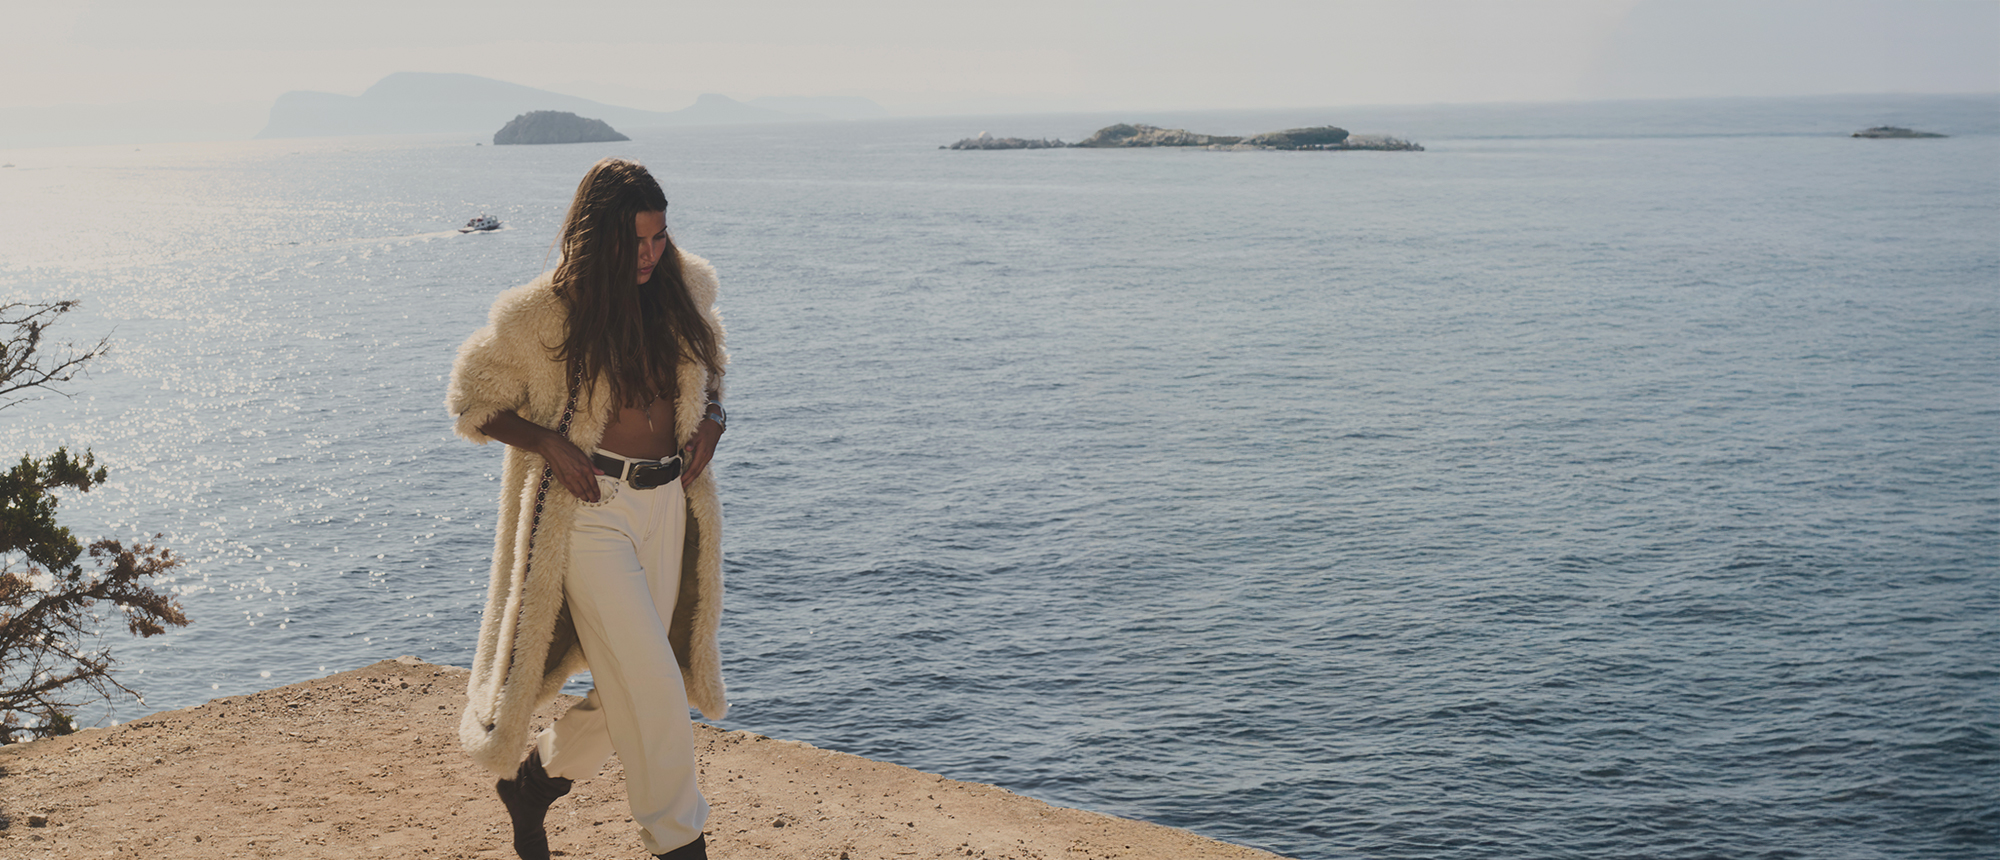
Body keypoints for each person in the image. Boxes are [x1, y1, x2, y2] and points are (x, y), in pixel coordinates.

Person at [446, 157, 729, 860]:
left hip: (667, 504)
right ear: (595, 233)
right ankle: (680, 844)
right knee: (657, 690)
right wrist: (547, 441)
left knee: (633, 681)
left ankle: (536, 784)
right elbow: (472, 402)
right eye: (633, 241)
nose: (648, 254)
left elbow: (710, 369)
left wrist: (714, 420)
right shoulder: (539, 315)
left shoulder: (682, 287)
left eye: (659, 238)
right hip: (589, 512)